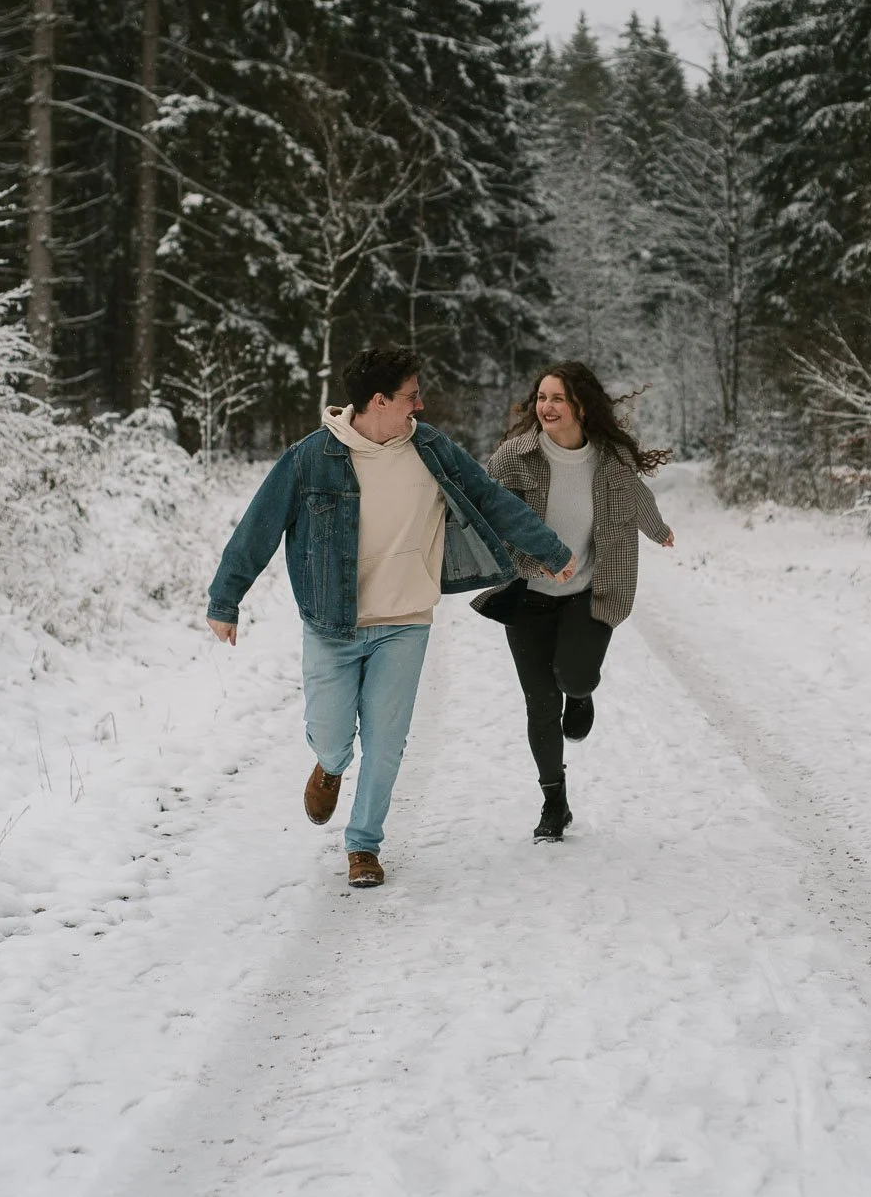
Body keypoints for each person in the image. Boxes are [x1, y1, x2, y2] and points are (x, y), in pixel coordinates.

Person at [206, 344, 576, 888]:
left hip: (405, 620)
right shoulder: (312, 456)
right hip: (332, 624)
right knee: (333, 735)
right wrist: (226, 598)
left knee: (386, 738)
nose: (419, 406)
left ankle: (363, 846)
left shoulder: (432, 450)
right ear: (378, 401)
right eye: (411, 396)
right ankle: (329, 767)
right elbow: (259, 525)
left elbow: (492, 500)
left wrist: (550, 549)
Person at [474, 362, 674, 842]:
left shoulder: (609, 461)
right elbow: (486, 518)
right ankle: (554, 803)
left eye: (557, 398)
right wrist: (533, 560)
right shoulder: (512, 458)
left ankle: (580, 695)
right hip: (527, 598)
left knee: (575, 676)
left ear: (581, 406)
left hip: (589, 592)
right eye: (541, 397)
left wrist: (658, 529)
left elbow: (636, 496)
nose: (546, 407)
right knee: (540, 705)